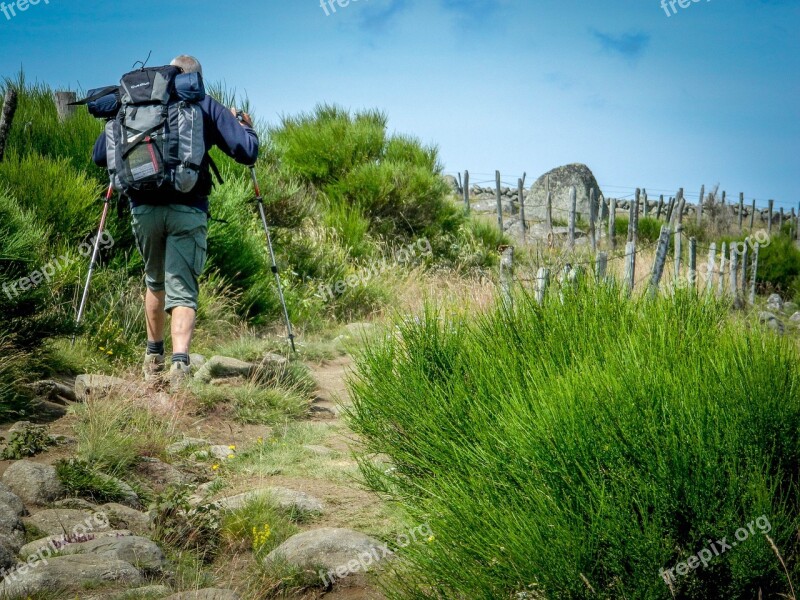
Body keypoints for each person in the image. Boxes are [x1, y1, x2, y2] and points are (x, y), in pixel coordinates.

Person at [92, 54, 259, 387]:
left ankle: (152, 360)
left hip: (143, 208)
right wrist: (245, 125)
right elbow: (246, 151)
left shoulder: (134, 104)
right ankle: (180, 365)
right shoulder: (201, 103)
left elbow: (100, 156)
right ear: (196, 79)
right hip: (187, 208)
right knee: (182, 288)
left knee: (154, 282)